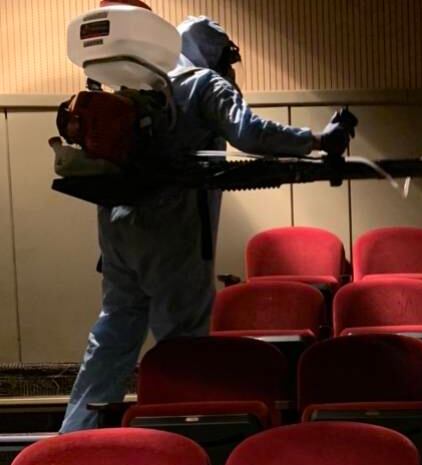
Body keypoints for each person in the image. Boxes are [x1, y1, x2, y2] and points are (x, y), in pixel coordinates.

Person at [60, 15, 352, 432]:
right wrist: (318, 140)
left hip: (117, 229)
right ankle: (179, 438)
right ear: (215, 54)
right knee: (182, 347)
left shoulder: (138, 87)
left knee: (111, 337)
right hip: (172, 234)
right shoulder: (203, 83)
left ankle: (74, 437)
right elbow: (249, 134)